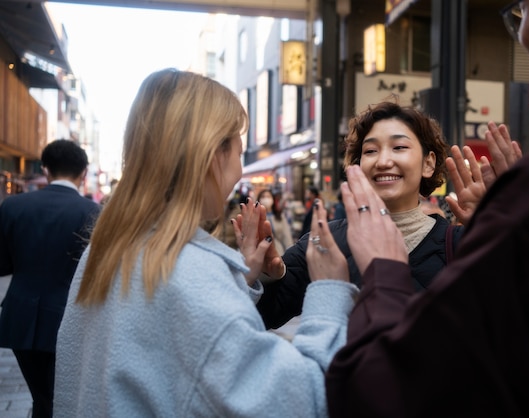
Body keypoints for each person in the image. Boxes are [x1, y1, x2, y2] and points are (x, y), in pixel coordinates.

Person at [324, 1, 529, 416]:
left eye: (524, 7)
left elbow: (388, 387)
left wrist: (383, 270)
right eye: (370, 150)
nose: (519, 30)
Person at [53, 68, 358, 417]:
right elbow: (302, 398)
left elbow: (168, 346)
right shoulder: (191, 274)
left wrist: (237, 281)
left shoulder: (108, 248)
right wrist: (330, 290)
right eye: (239, 154)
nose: (240, 172)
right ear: (213, 154)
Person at [245, 101, 520, 329]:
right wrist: (266, 275)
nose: (383, 161)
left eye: (399, 147)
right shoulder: (324, 242)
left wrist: (508, 230)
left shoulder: (461, 245)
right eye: (370, 151)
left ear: (428, 163)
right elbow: (260, 316)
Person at [0, 139, 101, 418]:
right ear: (83, 174)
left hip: (20, 317)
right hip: (71, 318)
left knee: (42, 396)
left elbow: (2, 263)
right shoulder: (94, 213)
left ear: (45, 170)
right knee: (59, 398)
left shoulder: (12, 206)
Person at [258, 188, 294, 255]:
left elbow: (286, 236)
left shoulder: (279, 216)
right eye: (263, 197)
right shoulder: (256, 217)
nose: (266, 199)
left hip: (278, 252)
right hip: (261, 253)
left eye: (268, 196)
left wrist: (291, 253)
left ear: (273, 199)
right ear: (259, 200)